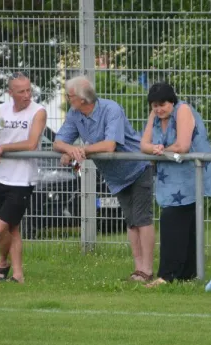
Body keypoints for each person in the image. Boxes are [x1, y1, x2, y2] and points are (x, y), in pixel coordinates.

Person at [53, 76, 155, 282]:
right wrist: (70, 150)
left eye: (70, 96)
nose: (67, 99)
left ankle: (148, 270)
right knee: (131, 222)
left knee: (142, 219)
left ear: (82, 99)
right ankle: (138, 269)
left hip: (137, 168)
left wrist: (80, 150)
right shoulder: (75, 114)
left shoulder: (111, 109)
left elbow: (109, 145)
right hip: (116, 177)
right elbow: (58, 142)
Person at [140, 81, 211, 287]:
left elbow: (183, 145)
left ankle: (167, 275)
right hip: (169, 178)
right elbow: (144, 144)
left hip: (189, 176)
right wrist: (157, 150)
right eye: (154, 105)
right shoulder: (155, 115)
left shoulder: (183, 110)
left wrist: (160, 151)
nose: (158, 109)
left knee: (173, 223)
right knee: (181, 225)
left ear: (172, 101)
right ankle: (186, 275)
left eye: (162, 104)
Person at [0, 71, 47, 284]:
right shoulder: (2, 109)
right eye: (21, 91)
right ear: (11, 93)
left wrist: (3, 148)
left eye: (29, 90)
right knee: (11, 229)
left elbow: (31, 144)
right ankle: (18, 275)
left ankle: (2, 260)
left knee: (0, 227)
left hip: (22, 180)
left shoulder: (38, 111)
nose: (27, 95)